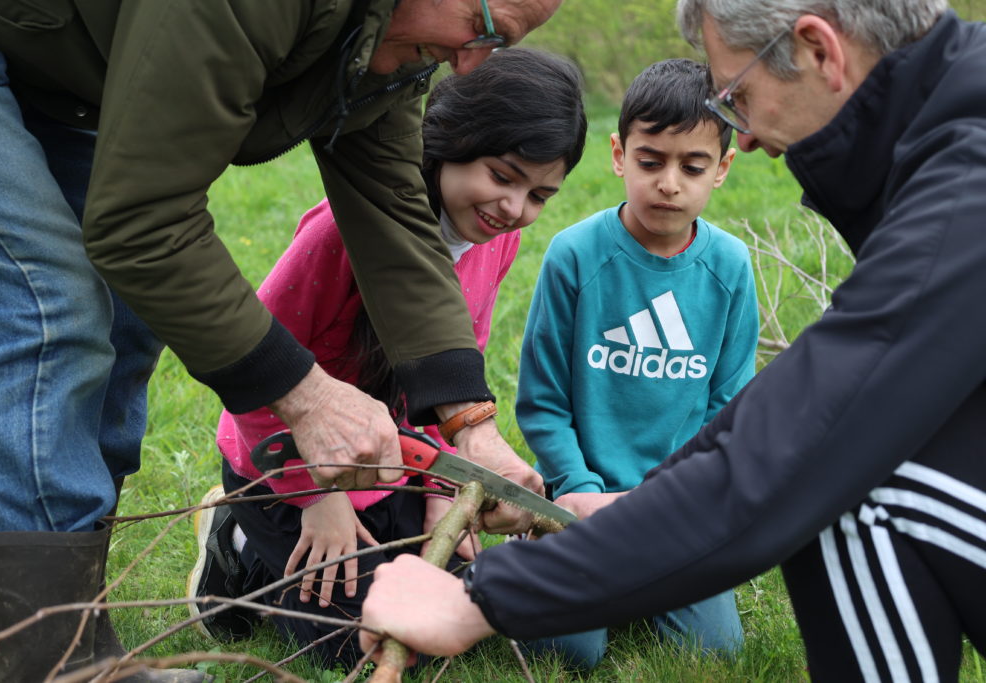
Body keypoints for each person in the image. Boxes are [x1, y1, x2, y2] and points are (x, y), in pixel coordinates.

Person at [360, 1, 986, 681]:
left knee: (850, 481)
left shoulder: (967, 187)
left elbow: (797, 443)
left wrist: (482, 600)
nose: (740, 137)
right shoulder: (952, 136)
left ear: (818, 50)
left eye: (737, 96)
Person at [0, 0, 561, 680]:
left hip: (63, 74)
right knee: (52, 316)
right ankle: (47, 667)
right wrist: (305, 397)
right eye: (484, 31)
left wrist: (471, 429)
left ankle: (74, 629)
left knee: (125, 315)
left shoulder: (385, 43)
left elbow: (394, 212)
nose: (472, 62)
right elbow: (143, 223)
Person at [186, 47, 587, 667]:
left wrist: (446, 482)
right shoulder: (337, 235)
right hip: (285, 462)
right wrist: (317, 500)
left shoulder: (494, 243)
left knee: (447, 612)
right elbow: (256, 374)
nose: (514, 209)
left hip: (393, 459)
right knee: (356, 646)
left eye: (539, 196)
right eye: (503, 176)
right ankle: (237, 541)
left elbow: (456, 370)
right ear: (449, 140)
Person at [515, 58, 757, 670]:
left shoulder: (730, 268)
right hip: (575, 505)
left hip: (672, 508)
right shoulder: (574, 256)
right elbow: (543, 402)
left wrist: (672, 501)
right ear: (620, 154)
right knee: (570, 654)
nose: (669, 183)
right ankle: (532, 555)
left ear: (722, 169)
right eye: (651, 162)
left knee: (715, 653)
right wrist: (577, 491)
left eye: (692, 166)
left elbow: (728, 410)